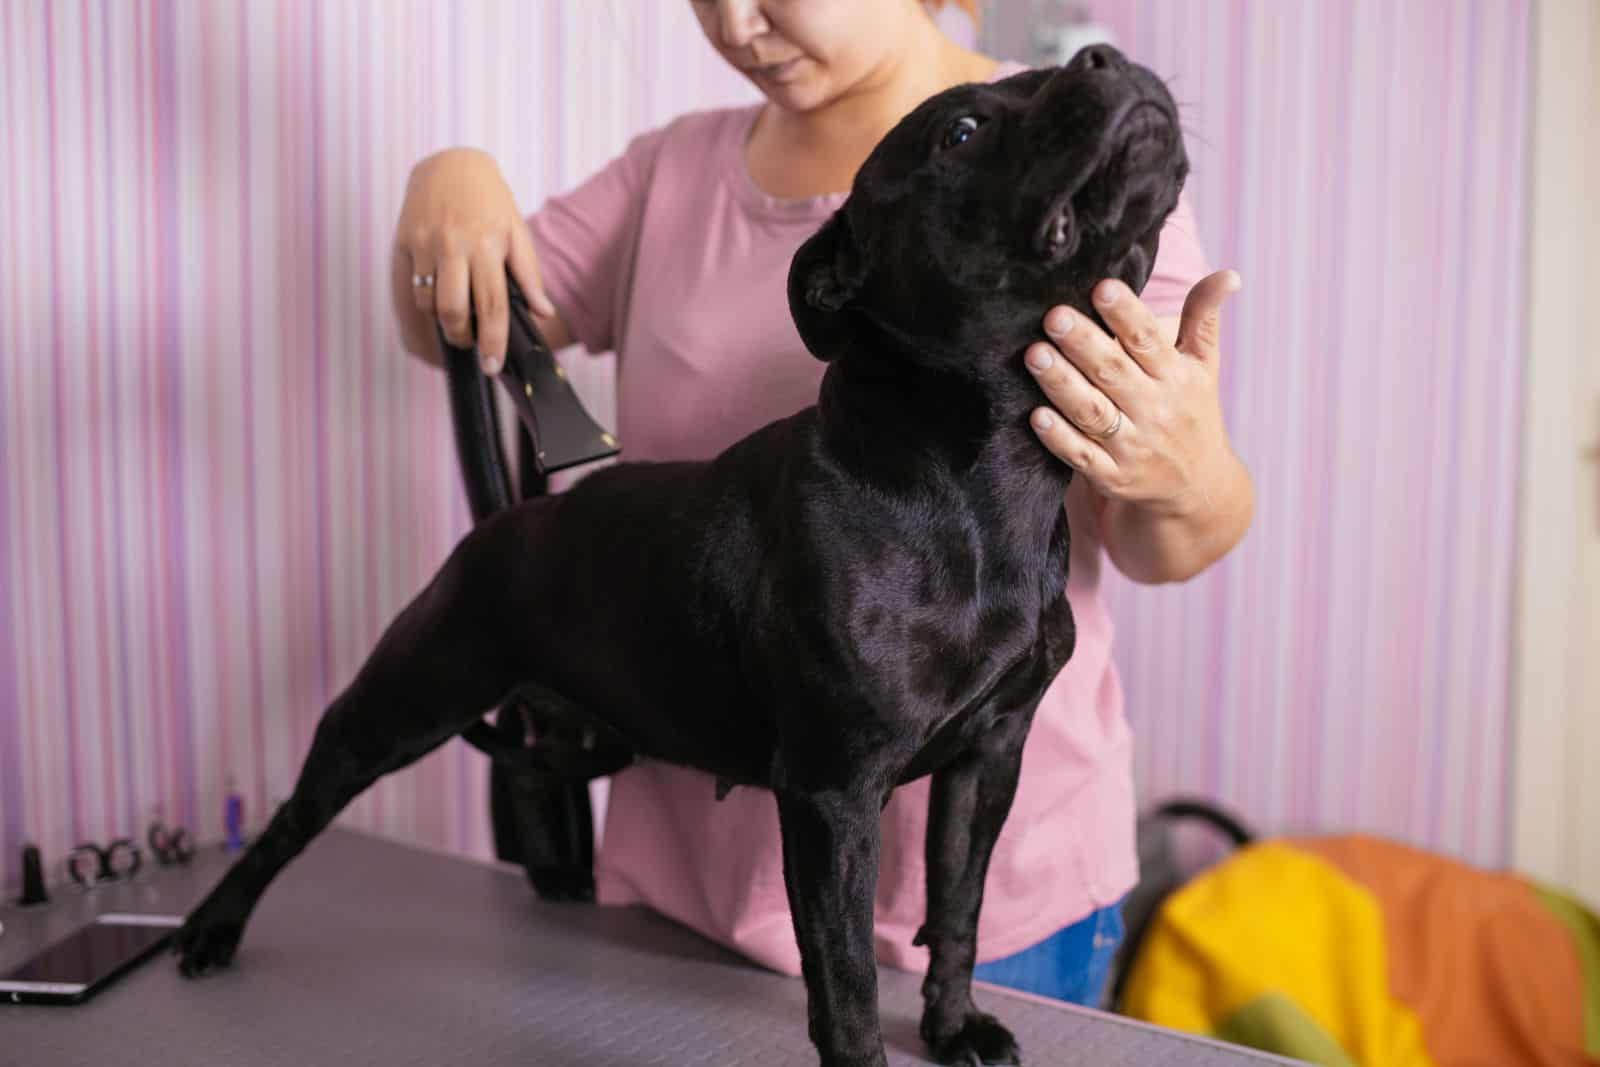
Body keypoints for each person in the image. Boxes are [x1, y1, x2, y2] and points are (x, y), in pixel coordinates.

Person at [391, 0, 1252, 1009]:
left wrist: (1186, 473)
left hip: (999, 902)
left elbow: (1164, 543)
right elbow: (461, 324)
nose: (737, 21)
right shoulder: (670, 173)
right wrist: (446, 181)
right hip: (692, 884)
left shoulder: (1068, 142)